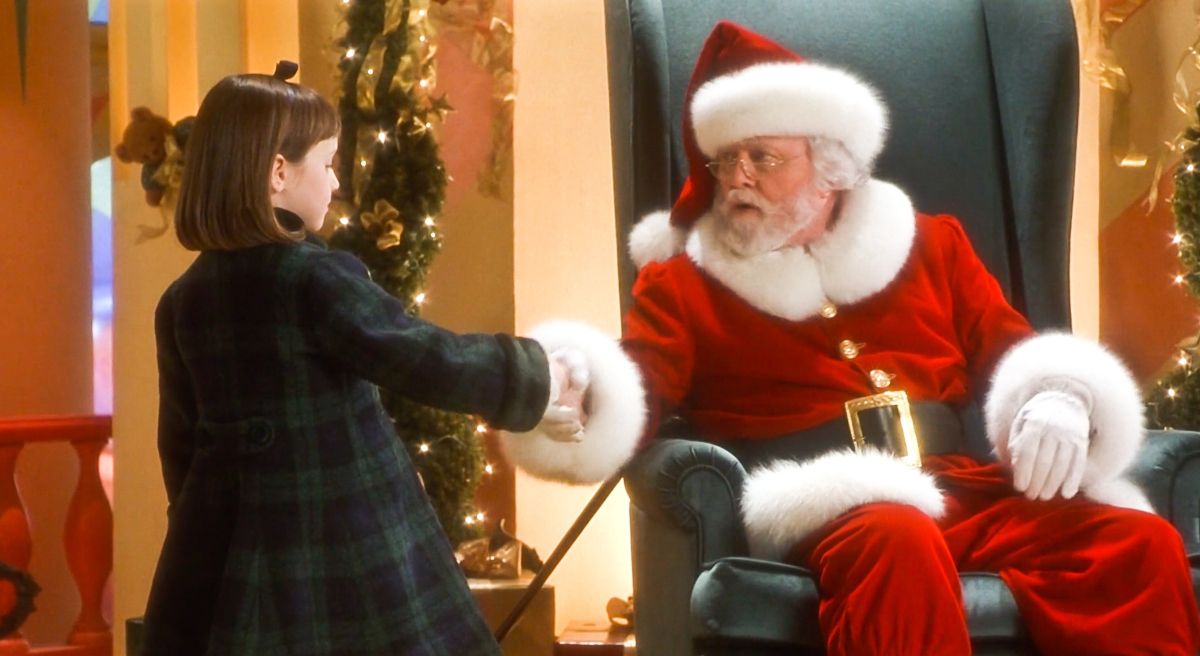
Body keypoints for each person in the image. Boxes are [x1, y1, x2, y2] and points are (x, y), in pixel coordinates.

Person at [500, 22, 1200, 655]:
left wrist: (1060, 394)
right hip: (822, 506)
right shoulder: (684, 283)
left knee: (1134, 542)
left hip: (956, 489)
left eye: (763, 157)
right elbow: (639, 387)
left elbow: (1013, 351)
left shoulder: (932, 246)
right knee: (897, 539)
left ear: (829, 165)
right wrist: (578, 392)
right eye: (724, 159)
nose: (737, 178)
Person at [141, 62, 594, 656]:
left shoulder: (182, 302)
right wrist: (539, 376)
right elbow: (425, 357)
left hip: (224, 570)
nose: (335, 184)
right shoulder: (315, 279)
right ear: (278, 172)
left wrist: (206, 539)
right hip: (343, 559)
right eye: (328, 164)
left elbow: (179, 452)